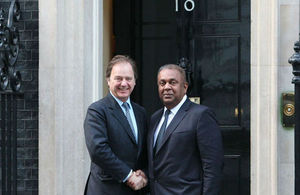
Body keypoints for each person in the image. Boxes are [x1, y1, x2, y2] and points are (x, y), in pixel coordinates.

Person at [147, 64, 224, 195]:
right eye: (162, 83)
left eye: (173, 82)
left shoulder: (201, 115)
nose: (167, 87)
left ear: (185, 87)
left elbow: (213, 167)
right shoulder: (155, 118)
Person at [84, 55, 148, 195]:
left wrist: (144, 173)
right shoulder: (97, 110)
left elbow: (145, 151)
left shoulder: (141, 113)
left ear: (135, 81)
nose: (124, 83)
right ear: (108, 80)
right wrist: (128, 175)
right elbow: (98, 150)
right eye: (118, 78)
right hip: (106, 189)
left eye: (128, 78)